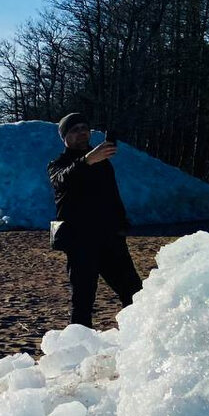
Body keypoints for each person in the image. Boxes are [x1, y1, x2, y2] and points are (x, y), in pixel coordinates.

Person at [48, 113, 143, 328]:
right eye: (74, 130)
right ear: (64, 137)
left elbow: (112, 195)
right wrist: (87, 160)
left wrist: (121, 222)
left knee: (135, 293)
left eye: (84, 127)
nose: (82, 132)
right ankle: (79, 352)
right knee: (82, 301)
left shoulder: (103, 163)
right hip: (80, 242)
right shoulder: (57, 165)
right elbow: (63, 180)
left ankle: (135, 338)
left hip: (110, 239)